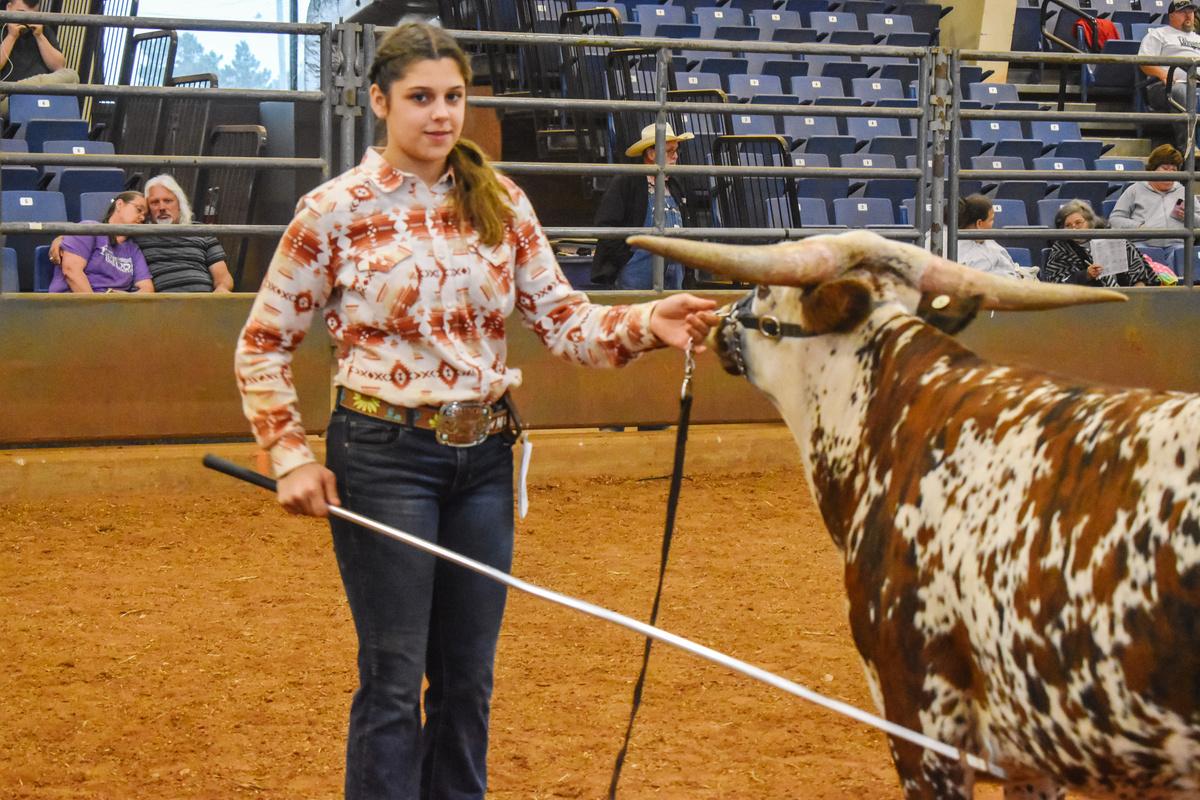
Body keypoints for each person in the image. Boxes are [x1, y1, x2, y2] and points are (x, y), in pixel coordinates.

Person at [233, 22, 718, 800]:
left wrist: (645, 322)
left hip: (484, 458)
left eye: (453, 97)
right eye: (421, 97)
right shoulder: (332, 210)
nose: (441, 114)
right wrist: (289, 454)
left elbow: (563, 320)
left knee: (467, 680)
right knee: (393, 678)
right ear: (379, 101)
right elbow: (262, 344)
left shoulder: (502, 201)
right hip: (383, 457)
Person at [48, 175, 236, 292]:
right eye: (154, 203)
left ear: (179, 203)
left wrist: (221, 292)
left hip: (204, 302)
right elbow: (89, 242)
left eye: (168, 201)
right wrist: (63, 238)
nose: (161, 207)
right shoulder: (142, 235)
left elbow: (223, 276)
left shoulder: (201, 231)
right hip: (158, 310)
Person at [590, 122, 693, 289]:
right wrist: (626, 258)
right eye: (669, 151)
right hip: (637, 267)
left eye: (676, 151)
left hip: (674, 265)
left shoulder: (674, 184)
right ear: (652, 154)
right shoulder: (626, 182)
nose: (675, 156)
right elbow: (606, 224)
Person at [48, 190, 153, 293]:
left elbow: (147, 288)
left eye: (145, 216)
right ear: (119, 204)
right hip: (76, 300)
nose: (142, 217)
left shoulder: (133, 249)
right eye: (139, 210)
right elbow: (71, 271)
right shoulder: (89, 229)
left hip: (115, 302)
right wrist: (96, 303)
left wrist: (125, 298)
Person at [1043, 199, 1155, 287]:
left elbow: (1137, 269)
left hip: (1127, 296)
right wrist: (1086, 275)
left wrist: (1138, 290)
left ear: (1089, 222)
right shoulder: (1061, 248)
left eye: (1078, 223)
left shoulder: (1111, 236)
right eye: (1068, 225)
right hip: (1089, 300)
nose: (1074, 228)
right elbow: (1056, 284)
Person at [1108, 144, 1200, 247]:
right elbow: (1115, 219)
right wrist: (1139, 228)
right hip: (1142, 244)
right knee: (1140, 250)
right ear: (1153, 169)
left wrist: (1189, 217)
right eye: (1165, 168)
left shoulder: (1184, 192)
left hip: (1177, 245)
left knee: (1184, 252)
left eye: (1174, 170)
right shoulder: (1135, 190)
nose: (1170, 173)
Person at [1138, 0, 1200, 151]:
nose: (1188, 15)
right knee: (1181, 91)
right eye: (1183, 12)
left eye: (1191, 12)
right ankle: (1189, 149)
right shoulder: (1158, 34)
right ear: (1171, 15)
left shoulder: (1198, 38)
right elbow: (1144, 62)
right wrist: (1165, 76)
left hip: (1196, 85)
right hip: (1165, 88)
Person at [0, 0, 79, 116]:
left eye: (31, 16)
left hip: (40, 98)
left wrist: (39, 36)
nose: (25, 20)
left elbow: (59, 66)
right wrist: (11, 36)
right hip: (7, 101)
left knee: (71, 75)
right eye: (21, 13)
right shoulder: (2, 28)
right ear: (9, 7)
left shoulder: (43, 30)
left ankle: (18, 88)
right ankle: (14, 89)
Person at [955, 194, 1038, 279]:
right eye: (991, 219)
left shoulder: (988, 242)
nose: (993, 224)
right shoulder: (964, 252)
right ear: (979, 223)